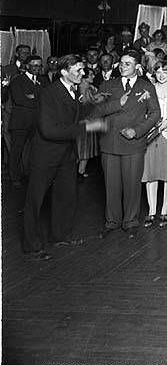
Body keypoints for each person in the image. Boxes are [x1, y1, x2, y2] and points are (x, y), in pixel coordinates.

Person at [22, 54, 107, 260]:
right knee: (35, 201)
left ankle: (59, 236)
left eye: (82, 69)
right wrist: (87, 128)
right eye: (78, 70)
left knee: (65, 197)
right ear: (63, 72)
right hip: (45, 155)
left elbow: (72, 114)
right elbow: (49, 130)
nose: (83, 73)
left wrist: (93, 103)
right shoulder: (49, 94)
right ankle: (31, 246)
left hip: (66, 154)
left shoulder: (74, 90)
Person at [92, 51, 161, 239]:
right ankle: (112, 221)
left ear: (137, 67)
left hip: (133, 143)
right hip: (110, 143)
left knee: (132, 185)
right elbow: (96, 111)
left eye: (127, 64)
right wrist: (117, 103)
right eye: (121, 63)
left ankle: (130, 221)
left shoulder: (146, 87)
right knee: (111, 185)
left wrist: (137, 131)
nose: (122, 67)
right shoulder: (107, 85)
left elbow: (155, 114)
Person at [141, 60, 167, 228]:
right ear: (154, 73)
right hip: (151, 134)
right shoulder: (148, 88)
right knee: (151, 173)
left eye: (166, 71)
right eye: (159, 71)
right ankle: (151, 210)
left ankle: (165, 210)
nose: (162, 75)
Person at [8, 55, 47, 189]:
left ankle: (30, 174)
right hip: (20, 122)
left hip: (37, 122)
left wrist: (32, 96)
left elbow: (47, 100)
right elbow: (20, 100)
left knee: (35, 150)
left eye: (39, 65)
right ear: (27, 66)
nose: (37, 68)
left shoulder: (43, 80)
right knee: (16, 151)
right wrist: (38, 97)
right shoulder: (17, 81)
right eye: (34, 65)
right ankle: (15, 177)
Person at [74, 67, 101, 178]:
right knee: (78, 149)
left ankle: (81, 170)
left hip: (91, 123)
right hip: (79, 124)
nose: (93, 76)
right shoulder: (75, 89)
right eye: (91, 75)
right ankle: (72, 171)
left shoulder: (93, 89)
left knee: (87, 149)